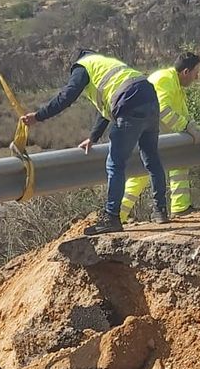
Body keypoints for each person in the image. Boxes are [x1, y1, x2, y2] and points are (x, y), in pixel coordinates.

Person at [20, 49, 168, 235]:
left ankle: (112, 217)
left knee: (115, 164)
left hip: (129, 104)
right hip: (149, 98)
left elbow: (67, 96)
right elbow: (107, 109)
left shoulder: (83, 67)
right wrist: (93, 137)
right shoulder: (105, 64)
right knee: (152, 160)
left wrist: (38, 116)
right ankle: (160, 211)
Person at [120, 51, 200, 223]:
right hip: (151, 135)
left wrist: (191, 125)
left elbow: (180, 112)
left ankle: (181, 207)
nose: (197, 77)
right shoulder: (165, 80)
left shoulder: (173, 81)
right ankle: (118, 214)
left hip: (160, 136)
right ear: (186, 72)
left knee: (178, 165)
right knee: (140, 176)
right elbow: (163, 109)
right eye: (196, 72)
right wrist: (185, 126)